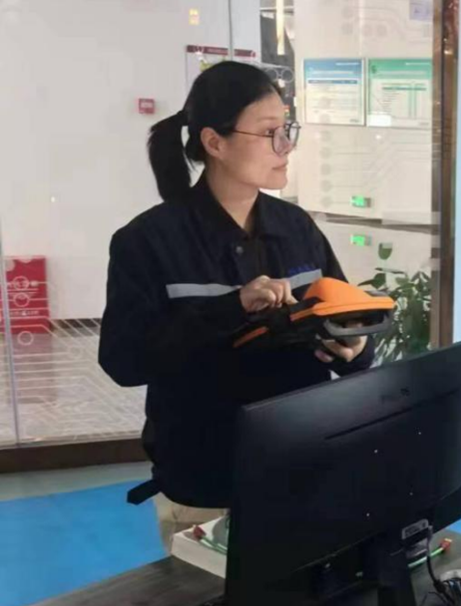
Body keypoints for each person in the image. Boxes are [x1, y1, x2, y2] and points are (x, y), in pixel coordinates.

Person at [98, 62, 374, 550]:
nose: (285, 146)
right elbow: (124, 361)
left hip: (304, 469)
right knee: (208, 600)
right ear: (215, 142)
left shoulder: (298, 229)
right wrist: (232, 308)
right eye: (269, 133)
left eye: (287, 130)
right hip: (207, 484)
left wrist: (355, 348)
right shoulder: (147, 241)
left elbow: (345, 319)